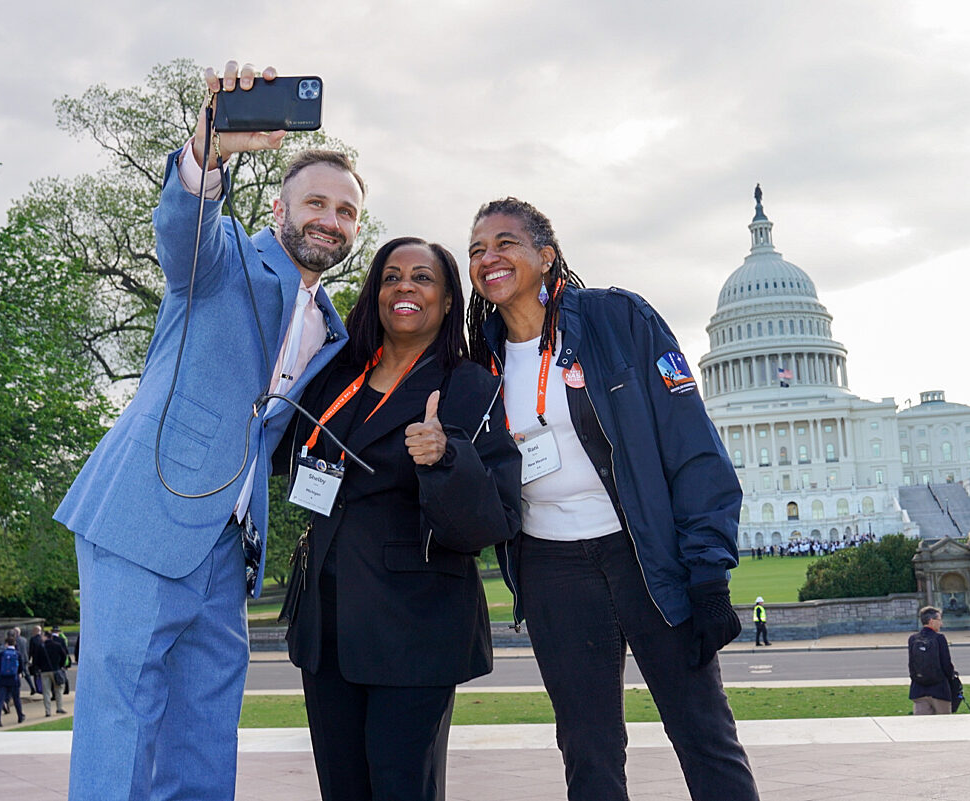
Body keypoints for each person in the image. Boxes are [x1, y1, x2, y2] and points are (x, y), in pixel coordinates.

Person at [53, 59, 363, 800]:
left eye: (347, 210)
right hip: (143, 515)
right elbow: (184, 227)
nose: (330, 218)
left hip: (229, 544)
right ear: (281, 213)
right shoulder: (222, 263)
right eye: (314, 202)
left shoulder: (333, 329)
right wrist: (207, 152)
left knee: (205, 724)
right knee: (122, 710)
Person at [466, 198, 758, 801]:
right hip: (551, 568)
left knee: (703, 733)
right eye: (476, 250)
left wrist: (707, 572)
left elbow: (690, 443)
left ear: (546, 257)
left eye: (504, 243)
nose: (488, 258)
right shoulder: (478, 361)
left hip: (643, 557)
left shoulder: (617, 318)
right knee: (587, 747)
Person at [278, 237, 520, 800]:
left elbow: (495, 520)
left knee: (401, 789)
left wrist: (446, 458)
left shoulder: (472, 387)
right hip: (327, 621)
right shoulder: (335, 375)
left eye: (422, 277)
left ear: (447, 298)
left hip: (415, 627)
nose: (404, 286)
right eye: (391, 276)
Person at [908, 606, 957, 715]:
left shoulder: (913, 639)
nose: (941, 624)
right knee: (943, 724)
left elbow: (911, 664)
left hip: (919, 690)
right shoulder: (939, 638)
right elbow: (946, 664)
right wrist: (951, 678)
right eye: (939, 620)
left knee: (923, 726)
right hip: (939, 689)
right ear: (931, 621)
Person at [0, 635, 25, 727]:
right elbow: (21, 667)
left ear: (6, 644)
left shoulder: (2, 654)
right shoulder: (17, 654)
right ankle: (20, 716)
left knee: (0, 700)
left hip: (2, 679)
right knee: (16, 699)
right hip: (14, 679)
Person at [38, 630, 70, 716]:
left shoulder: (41, 647)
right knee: (58, 690)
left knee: (46, 692)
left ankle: (48, 711)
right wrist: (60, 665)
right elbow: (64, 655)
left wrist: (39, 667)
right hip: (56, 670)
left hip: (44, 671)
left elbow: (36, 660)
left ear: (45, 637)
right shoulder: (57, 645)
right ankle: (59, 708)